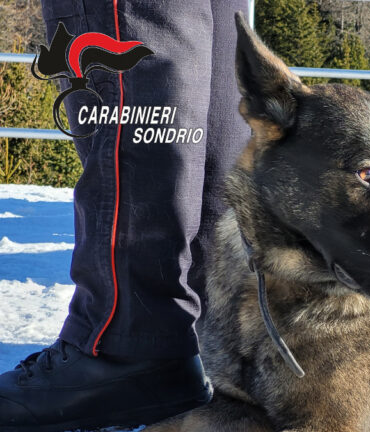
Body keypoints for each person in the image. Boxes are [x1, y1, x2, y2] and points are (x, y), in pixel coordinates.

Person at [0, 1, 252, 430]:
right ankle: (212, 337)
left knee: (129, 15)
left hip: (139, 346)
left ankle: (125, 345)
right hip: (219, 343)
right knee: (208, 22)